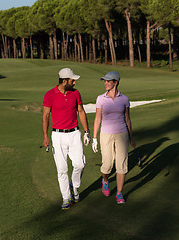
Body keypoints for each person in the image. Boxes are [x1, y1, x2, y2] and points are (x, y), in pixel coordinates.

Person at [42, 68, 90, 210]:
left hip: (74, 134)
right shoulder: (50, 95)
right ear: (64, 81)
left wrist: (86, 131)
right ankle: (66, 197)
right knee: (62, 169)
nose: (74, 82)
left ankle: (74, 187)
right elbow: (45, 116)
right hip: (58, 136)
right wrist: (45, 136)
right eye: (72, 80)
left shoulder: (75, 93)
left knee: (80, 164)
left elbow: (81, 111)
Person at [92, 71, 136, 204]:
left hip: (122, 134)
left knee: (122, 165)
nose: (105, 83)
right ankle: (105, 180)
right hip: (106, 134)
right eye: (104, 81)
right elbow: (97, 118)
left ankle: (119, 193)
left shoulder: (124, 99)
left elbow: (127, 119)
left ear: (115, 82)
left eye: (108, 81)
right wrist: (94, 137)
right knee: (107, 165)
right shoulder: (100, 98)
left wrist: (131, 137)